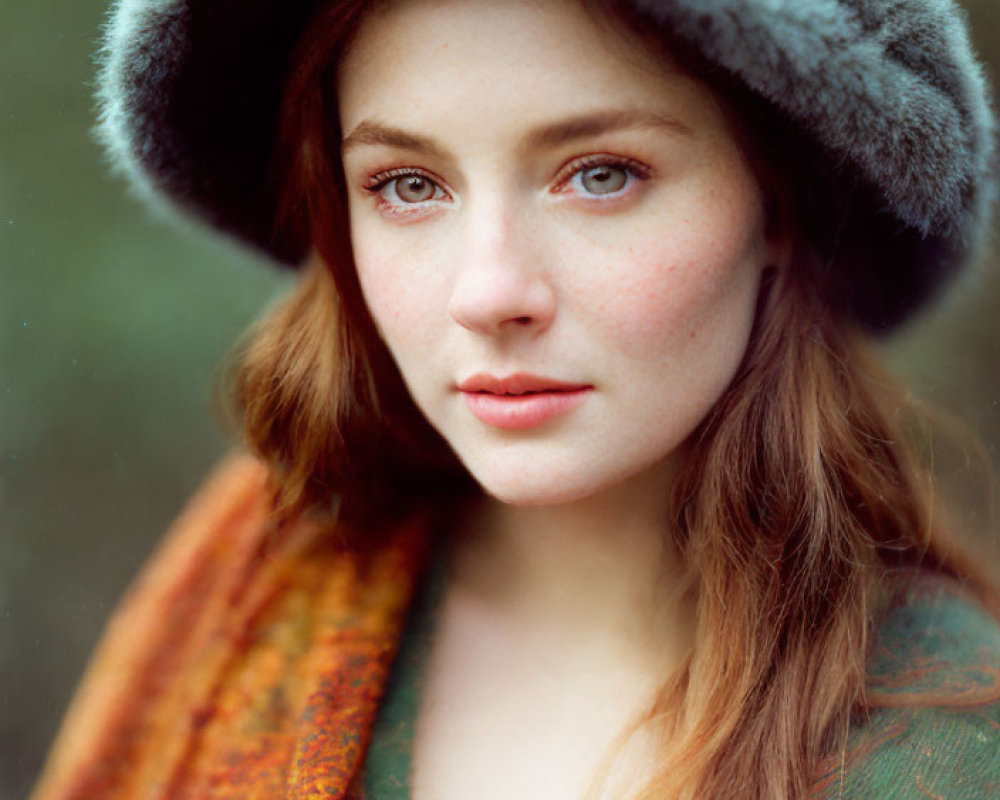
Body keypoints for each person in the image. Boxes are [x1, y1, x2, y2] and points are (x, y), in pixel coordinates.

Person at [28, 0, 1000, 798]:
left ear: (781, 206)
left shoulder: (949, 741)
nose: (487, 292)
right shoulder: (256, 571)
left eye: (601, 174)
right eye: (408, 184)